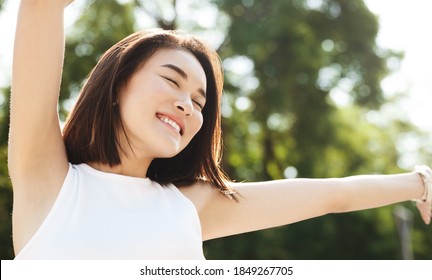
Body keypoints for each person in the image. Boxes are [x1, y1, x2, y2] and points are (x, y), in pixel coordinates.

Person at [8, 0, 431, 260]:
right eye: (172, 81)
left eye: (199, 101)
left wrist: (421, 183)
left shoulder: (189, 206)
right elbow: (41, 6)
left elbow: (332, 196)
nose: (186, 105)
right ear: (117, 85)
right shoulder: (49, 177)